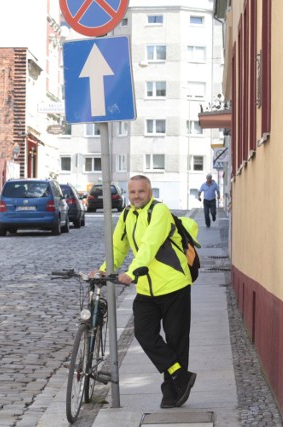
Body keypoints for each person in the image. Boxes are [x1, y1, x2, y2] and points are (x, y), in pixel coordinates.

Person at [92, 175, 196, 409]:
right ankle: (181, 375)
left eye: (141, 191)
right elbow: (117, 247)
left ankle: (172, 391)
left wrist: (133, 271)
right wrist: (103, 270)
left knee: (176, 340)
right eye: (132, 192)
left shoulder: (159, 211)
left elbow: (150, 244)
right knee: (144, 334)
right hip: (147, 290)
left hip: (173, 285)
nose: (136, 196)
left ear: (149, 192)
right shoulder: (128, 214)